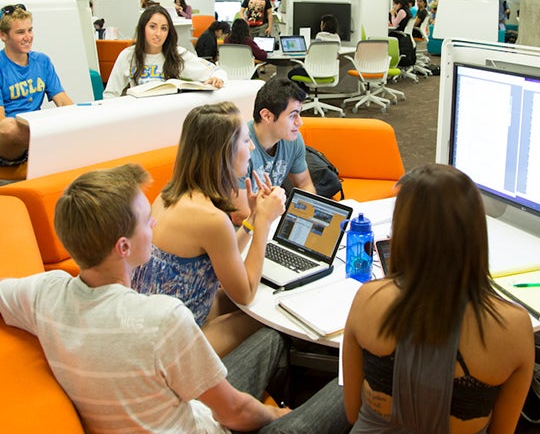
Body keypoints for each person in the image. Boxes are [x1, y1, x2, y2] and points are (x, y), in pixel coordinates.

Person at [0, 163, 350, 433]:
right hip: (207, 422)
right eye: (145, 221)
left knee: (273, 336)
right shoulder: (160, 319)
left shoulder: (43, 293)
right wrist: (277, 415)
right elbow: (235, 413)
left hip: (185, 408)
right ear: (123, 247)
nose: (154, 226)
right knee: (347, 381)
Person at [342, 163, 535, 432]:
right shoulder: (513, 326)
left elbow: (353, 413)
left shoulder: (368, 299)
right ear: (476, 231)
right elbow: (502, 430)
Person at [131, 102, 285, 356]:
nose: (252, 148)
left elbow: (217, 258)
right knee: (271, 316)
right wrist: (263, 223)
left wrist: (252, 219)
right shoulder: (211, 219)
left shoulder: (167, 195)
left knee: (246, 303)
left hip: (153, 323)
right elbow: (245, 292)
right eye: (246, 141)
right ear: (224, 152)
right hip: (170, 346)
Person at [231, 78, 315, 225]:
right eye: (293, 115)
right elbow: (239, 215)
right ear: (267, 116)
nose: (299, 122)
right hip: (238, 231)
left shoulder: (292, 139)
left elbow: (304, 184)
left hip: (269, 220)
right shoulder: (239, 146)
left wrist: (304, 220)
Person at [0, 4, 74, 167]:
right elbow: (2, 124)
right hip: (9, 143)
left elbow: (62, 100)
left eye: (30, 30)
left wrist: (78, 120)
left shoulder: (42, 61)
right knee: (9, 127)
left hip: (36, 130)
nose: (28, 37)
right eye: (20, 32)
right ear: (3, 35)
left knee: (73, 115)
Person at [104, 5, 227, 98]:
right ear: (143, 28)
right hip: (138, 118)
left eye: (164, 28)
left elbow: (216, 71)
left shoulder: (177, 54)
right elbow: (110, 94)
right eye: (152, 27)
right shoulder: (128, 56)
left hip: (168, 117)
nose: (158, 34)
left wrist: (217, 78)